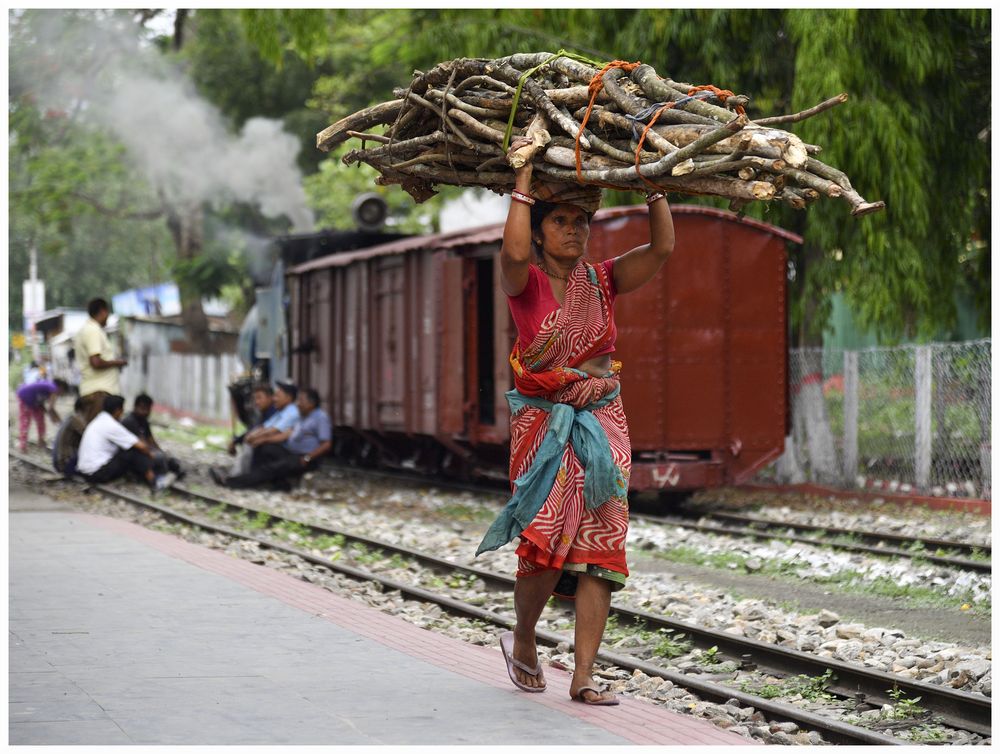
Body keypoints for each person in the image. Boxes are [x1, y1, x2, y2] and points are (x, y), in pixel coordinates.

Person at [476, 137, 674, 705]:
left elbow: (661, 249)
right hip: (542, 427)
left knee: (600, 547)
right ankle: (524, 634)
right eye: (560, 220)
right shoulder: (526, 283)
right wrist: (523, 177)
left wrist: (652, 181)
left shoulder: (603, 281)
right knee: (542, 540)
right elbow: (511, 254)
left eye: (582, 221)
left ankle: (584, 675)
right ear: (538, 229)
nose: (574, 230)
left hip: (603, 421)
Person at [211, 387, 331, 490]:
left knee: (270, 468)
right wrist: (264, 440)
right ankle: (277, 484)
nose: (298, 403)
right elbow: (286, 434)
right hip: (291, 453)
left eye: (301, 400)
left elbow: (326, 444)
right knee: (263, 449)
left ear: (312, 403)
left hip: (304, 458)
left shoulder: (320, 417)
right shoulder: (302, 417)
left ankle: (230, 482)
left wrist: (307, 457)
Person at [76, 395, 174, 491]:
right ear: (118, 410)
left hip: (85, 471)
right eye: (122, 410)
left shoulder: (99, 420)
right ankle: (155, 482)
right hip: (96, 473)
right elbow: (141, 446)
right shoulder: (111, 425)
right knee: (133, 451)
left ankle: (145, 476)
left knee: (128, 450)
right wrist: (151, 455)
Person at [75, 298, 127, 423]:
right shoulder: (93, 330)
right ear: (103, 311)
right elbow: (95, 362)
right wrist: (118, 362)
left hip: (96, 391)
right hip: (98, 393)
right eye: (108, 313)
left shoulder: (87, 329)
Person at [121, 393, 185, 479]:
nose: (145, 412)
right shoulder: (130, 421)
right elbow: (141, 445)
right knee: (159, 458)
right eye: (142, 408)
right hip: (133, 455)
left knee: (168, 459)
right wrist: (153, 454)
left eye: (147, 409)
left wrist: (160, 452)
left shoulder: (144, 421)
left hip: (143, 451)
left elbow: (151, 440)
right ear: (135, 406)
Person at [226, 383, 277, 476]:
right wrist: (236, 441)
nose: (257, 402)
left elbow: (262, 430)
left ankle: (238, 476)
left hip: (275, 446)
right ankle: (237, 475)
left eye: (259, 398)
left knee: (249, 444)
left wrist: (240, 440)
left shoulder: (273, 413)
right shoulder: (263, 412)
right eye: (255, 399)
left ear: (270, 398)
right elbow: (253, 430)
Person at [15, 377, 68, 452]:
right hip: (25, 397)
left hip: (35, 402)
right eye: (63, 393)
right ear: (61, 388)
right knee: (25, 421)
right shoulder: (54, 388)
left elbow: (46, 408)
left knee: (41, 421)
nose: (61, 395)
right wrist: (60, 422)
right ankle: (22, 446)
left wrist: (54, 419)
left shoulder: (50, 387)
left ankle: (41, 442)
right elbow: (51, 409)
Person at [53, 397, 88, 476]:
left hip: (59, 462)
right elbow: (89, 438)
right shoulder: (77, 420)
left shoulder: (71, 417)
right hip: (65, 465)